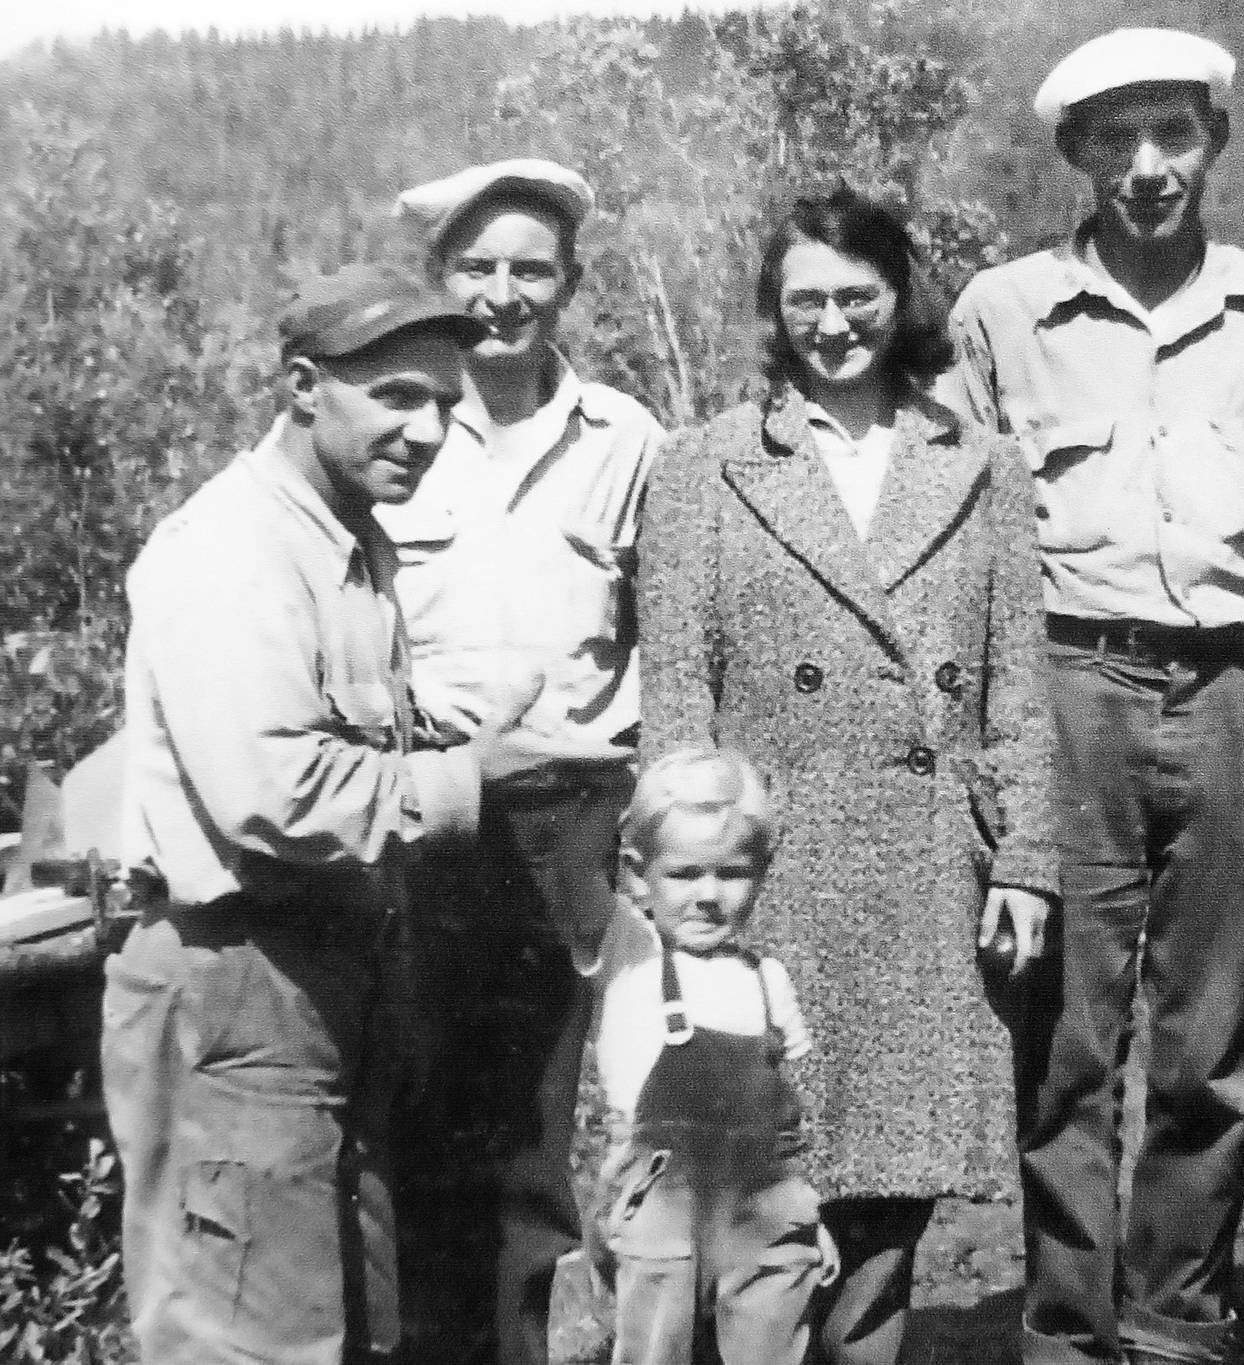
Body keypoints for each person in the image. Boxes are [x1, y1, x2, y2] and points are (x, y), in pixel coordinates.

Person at [942, 28, 1244, 1365]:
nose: (1147, 168)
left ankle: (1180, 1321)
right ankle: (1069, 1330)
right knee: (1067, 1047)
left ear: (1214, 143)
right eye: (1115, 140)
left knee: (1210, 1046)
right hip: (1072, 688)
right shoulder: (1002, 314)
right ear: (1072, 153)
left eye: (1173, 134)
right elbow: (961, 535)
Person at [100, 264, 589, 1363]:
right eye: (397, 397)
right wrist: (475, 776)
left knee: (340, 1323)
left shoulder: (346, 540)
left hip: (323, 985)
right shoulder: (234, 554)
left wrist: (455, 728)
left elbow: (347, 733)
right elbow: (270, 793)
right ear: (302, 385)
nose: (426, 430)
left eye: (445, 406)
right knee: (247, 1337)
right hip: (232, 984)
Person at [637, 186, 1061, 1365]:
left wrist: (1023, 863)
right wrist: (681, 891)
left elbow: (1014, 689)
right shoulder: (703, 466)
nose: (832, 323)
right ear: (774, 312)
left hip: (923, 871)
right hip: (764, 881)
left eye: (857, 295)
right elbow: (675, 697)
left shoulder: (981, 466)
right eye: (804, 299)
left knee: (886, 1201)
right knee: (758, 1194)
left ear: (900, 296)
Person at [384, 158, 666, 1365]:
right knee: (424, 1107)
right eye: (477, 268)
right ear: (438, 279)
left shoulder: (625, 436)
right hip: (425, 805)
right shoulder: (392, 424)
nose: (502, 294)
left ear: (571, 284)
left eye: (529, 270)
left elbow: (669, 619)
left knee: (542, 1122)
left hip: (575, 812)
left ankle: (529, 1344)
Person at [586, 746, 839, 1365]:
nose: (708, 895)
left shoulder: (767, 979)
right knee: (656, 1348)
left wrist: (809, 1212)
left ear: (762, 872)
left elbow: (794, 1113)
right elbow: (572, 876)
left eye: (732, 873)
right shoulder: (630, 956)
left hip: (764, 1210)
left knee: (771, 1346)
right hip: (662, 1211)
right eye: (685, 874)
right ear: (638, 875)